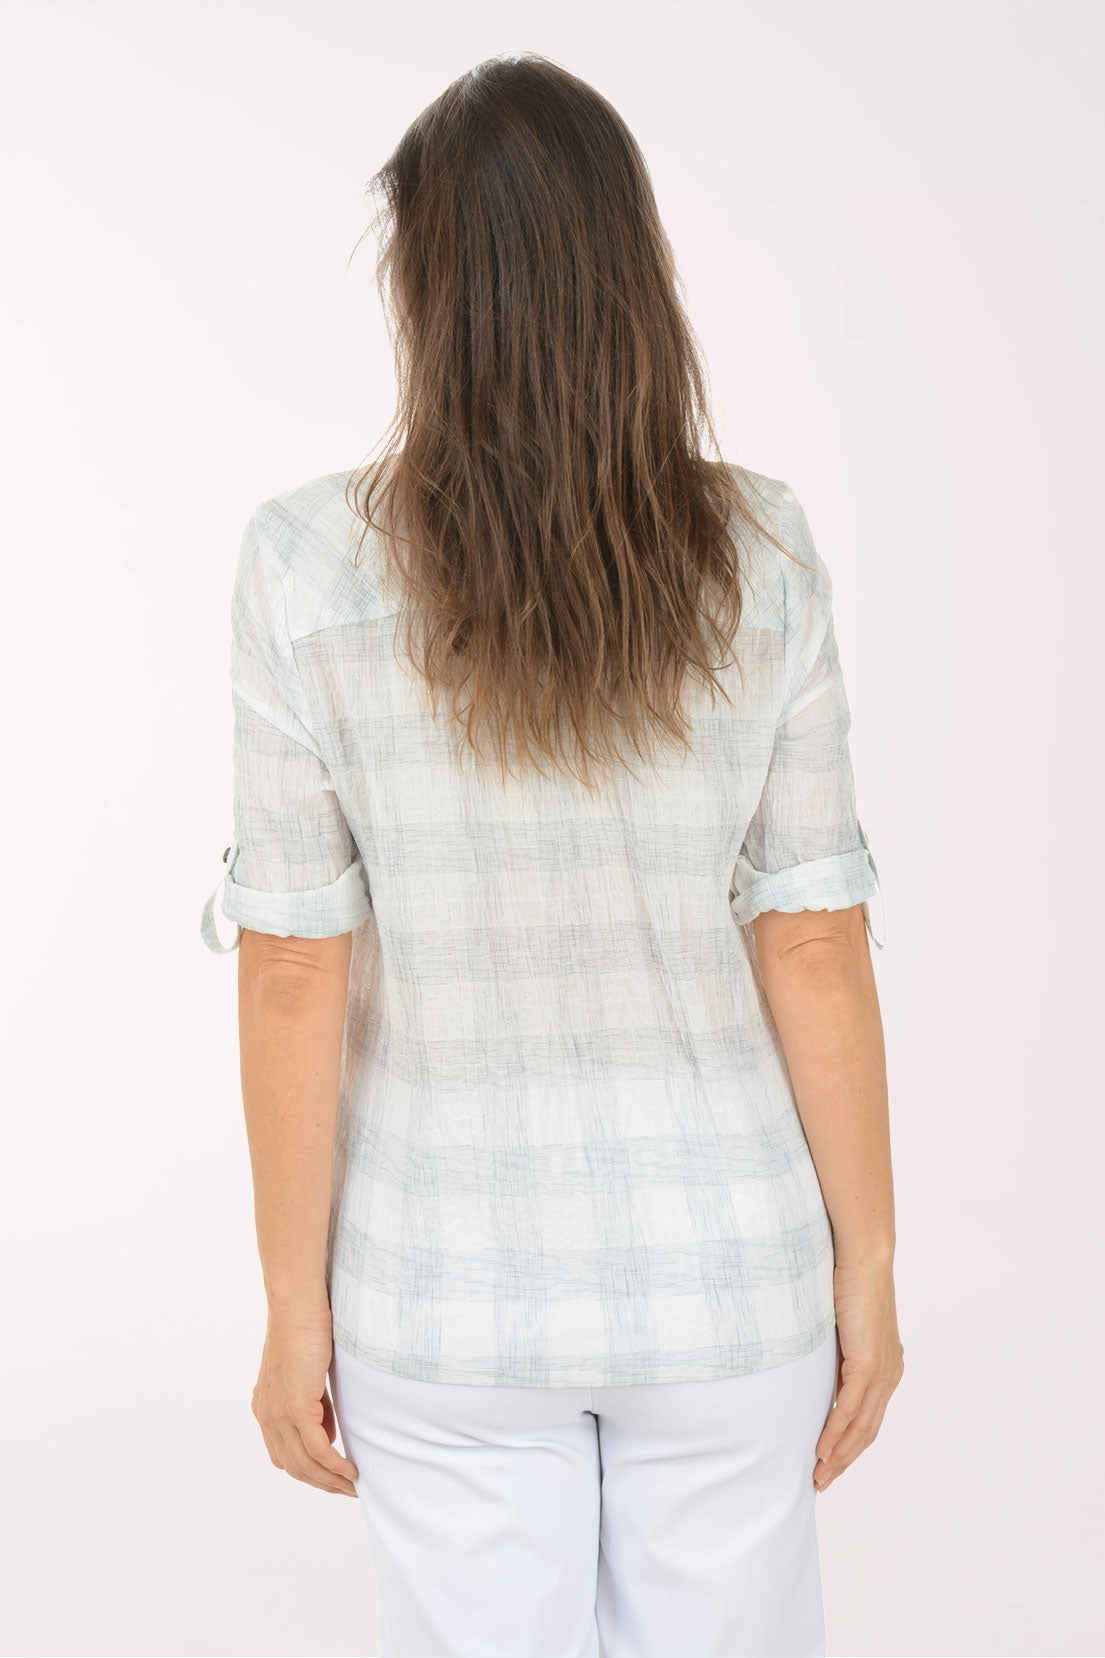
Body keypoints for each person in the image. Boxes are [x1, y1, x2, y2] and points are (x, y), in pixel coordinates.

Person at [199, 50, 903, 1658]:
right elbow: (811, 937)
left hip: (441, 1290)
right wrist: (868, 1262)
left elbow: (294, 966)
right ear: (631, 272)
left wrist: (293, 1306)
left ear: (426, 287)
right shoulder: (762, 552)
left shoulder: (302, 564)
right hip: (725, 1278)